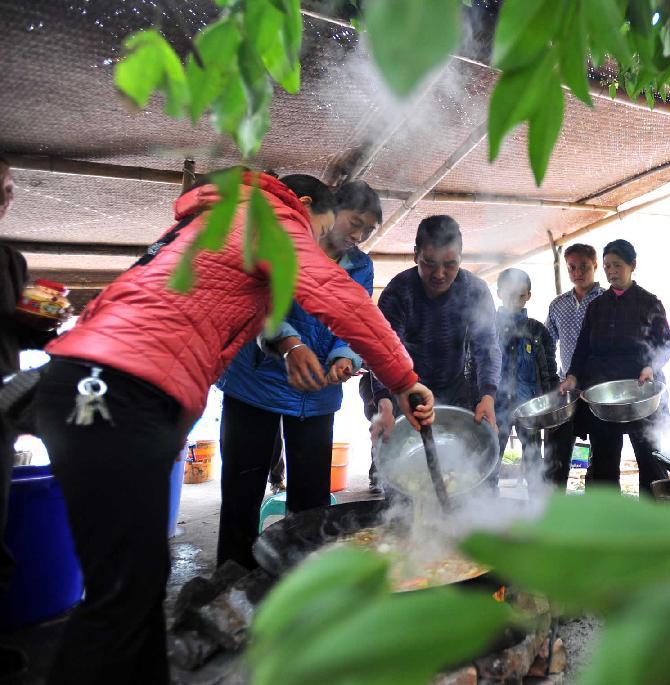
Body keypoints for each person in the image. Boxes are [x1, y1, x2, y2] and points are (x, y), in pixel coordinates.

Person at [33, 170, 434, 685]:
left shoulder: (222, 221)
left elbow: (246, 318)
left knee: (133, 586)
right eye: (326, 227)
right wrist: (403, 380)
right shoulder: (272, 216)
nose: (323, 242)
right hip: (117, 390)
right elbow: (335, 296)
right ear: (306, 205)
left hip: (97, 384)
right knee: (120, 599)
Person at [215, 177, 382, 570]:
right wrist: (291, 344)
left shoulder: (361, 266)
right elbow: (258, 307)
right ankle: (231, 580)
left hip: (318, 395)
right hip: (255, 385)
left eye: (368, 231)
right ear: (330, 210)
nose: (358, 236)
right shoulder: (284, 243)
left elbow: (354, 321)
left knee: (311, 500)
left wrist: (345, 357)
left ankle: (303, 580)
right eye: (354, 223)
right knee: (243, 489)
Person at [368, 215, 501, 445]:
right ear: (415, 254)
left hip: (455, 386)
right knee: (399, 453)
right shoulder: (398, 292)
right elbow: (383, 351)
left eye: (450, 265)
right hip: (405, 388)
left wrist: (488, 395)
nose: (439, 274)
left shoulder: (474, 290)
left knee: (460, 456)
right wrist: (384, 402)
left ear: (461, 258)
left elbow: (487, 346)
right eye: (429, 263)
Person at [560, 239, 670, 497]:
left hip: (642, 391)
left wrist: (651, 366)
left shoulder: (649, 302)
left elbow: (665, 342)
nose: (611, 271)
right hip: (604, 396)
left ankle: (655, 518)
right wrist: (573, 376)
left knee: (650, 457)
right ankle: (605, 518)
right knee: (603, 462)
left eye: (618, 265)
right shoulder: (596, 307)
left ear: (633, 266)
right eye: (608, 266)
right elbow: (582, 348)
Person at [544, 243, 604, 487]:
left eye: (583, 267)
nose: (577, 272)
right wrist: (552, 379)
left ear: (595, 266)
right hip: (567, 387)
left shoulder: (606, 301)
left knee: (601, 450)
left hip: (600, 388)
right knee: (558, 447)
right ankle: (554, 503)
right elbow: (548, 343)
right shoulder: (558, 305)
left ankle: (597, 504)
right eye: (572, 267)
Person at [494, 268, 557, 491]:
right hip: (494, 406)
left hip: (528, 406)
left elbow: (549, 371)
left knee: (533, 459)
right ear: (499, 292)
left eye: (521, 295)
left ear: (528, 295)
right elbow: (473, 367)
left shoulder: (538, 331)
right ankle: (483, 515)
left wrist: (550, 404)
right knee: (490, 458)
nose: (515, 299)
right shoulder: (487, 327)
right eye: (510, 293)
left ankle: (537, 513)